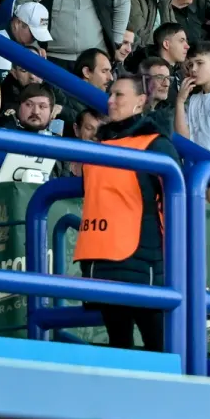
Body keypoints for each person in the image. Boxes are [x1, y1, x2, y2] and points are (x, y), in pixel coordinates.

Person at [75, 75, 180, 352]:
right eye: (110, 94)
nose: (110, 100)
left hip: (142, 260)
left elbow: (176, 204)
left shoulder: (156, 144)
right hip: (101, 258)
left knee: (159, 344)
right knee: (119, 343)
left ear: (141, 102)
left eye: (119, 95)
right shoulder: (100, 146)